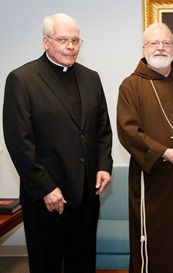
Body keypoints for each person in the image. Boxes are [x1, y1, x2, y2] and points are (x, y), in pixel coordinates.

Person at [3, 13, 113, 273]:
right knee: (46, 265)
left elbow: (102, 131)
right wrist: (45, 188)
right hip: (46, 198)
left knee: (83, 264)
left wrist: (104, 166)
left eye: (75, 40)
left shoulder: (91, 78)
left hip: (87, 195)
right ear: (46, 42)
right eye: (63, 39)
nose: (71, 46)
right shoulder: (22, 79)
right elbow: (19, 142)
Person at [116, 22, 173, 273]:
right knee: (158, 242)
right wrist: (167, 154)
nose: (160, 48)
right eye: (154, 43)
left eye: (166, 43)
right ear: (144, 47)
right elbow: (129, 132)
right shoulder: (131, 85)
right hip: (153, 180)